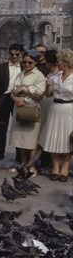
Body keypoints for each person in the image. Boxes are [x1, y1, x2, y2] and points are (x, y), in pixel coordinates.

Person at [38, 49, 73, 182]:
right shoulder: (55, 77)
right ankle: (55, 168)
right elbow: (48, 95)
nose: (57, 63)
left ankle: (64, 169)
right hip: (55, 109)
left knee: (66, 142)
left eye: (59, 61)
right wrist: (48, 86)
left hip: (69, 110)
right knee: (54, 139)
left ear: (65, 62)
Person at [8, 51, 45, 176]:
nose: (27, 64)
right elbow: (13, 92)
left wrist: (25, 89)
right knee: (20, 139)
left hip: (31, 109)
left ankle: (32, 166)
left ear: (36, 63)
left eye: (30, 62)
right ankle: (23, 163)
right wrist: (16, 99)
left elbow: (40, 93)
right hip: (19, 108)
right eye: (24, 62)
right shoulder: (20, 74)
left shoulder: (39, 75)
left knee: (31, 140)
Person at [0, 43, 23, 162]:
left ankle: (19, 155)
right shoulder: (0, 67)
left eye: (17, 54)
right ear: (8, 53)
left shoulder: (24, 67)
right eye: (12, 54)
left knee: (18, 127)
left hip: (19, 99)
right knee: (2, 127)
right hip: (5, 98)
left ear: (21, 54)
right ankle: (0, 153)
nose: (14, 56)